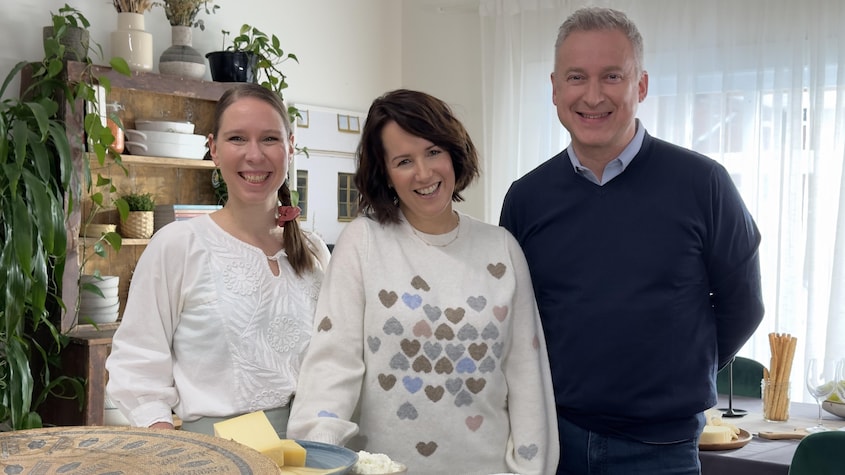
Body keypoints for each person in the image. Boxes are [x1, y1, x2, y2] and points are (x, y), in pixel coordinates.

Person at [499, 7, 764, 475]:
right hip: (550, 443)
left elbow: (743, 306)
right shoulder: (527, 198)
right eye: (576, 77)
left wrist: (676, 368)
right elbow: (516, 319)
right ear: (556, 88)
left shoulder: (704, 184)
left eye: (612, 76)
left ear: (640, 86)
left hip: (662, 449)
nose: (593, 95)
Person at [287, 89, 558, 474]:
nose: (424, 173)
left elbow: (528, 380)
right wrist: (317, 460)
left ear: (453, 151)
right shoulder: (363, 242)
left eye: (433, 151)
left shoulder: (502, 249)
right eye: (403, 160)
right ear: (384, 173)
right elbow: (333, 365)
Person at [105, 83, 331, 436]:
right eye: (237, 139)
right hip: (216, 458)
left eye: (269, 139)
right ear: (213, 149)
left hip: (314, 451)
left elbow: (336, 361)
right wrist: (169, 444)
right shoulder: (178, 246)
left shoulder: (314, 252)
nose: (254, 155)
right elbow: (137, 364)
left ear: (290, 145)